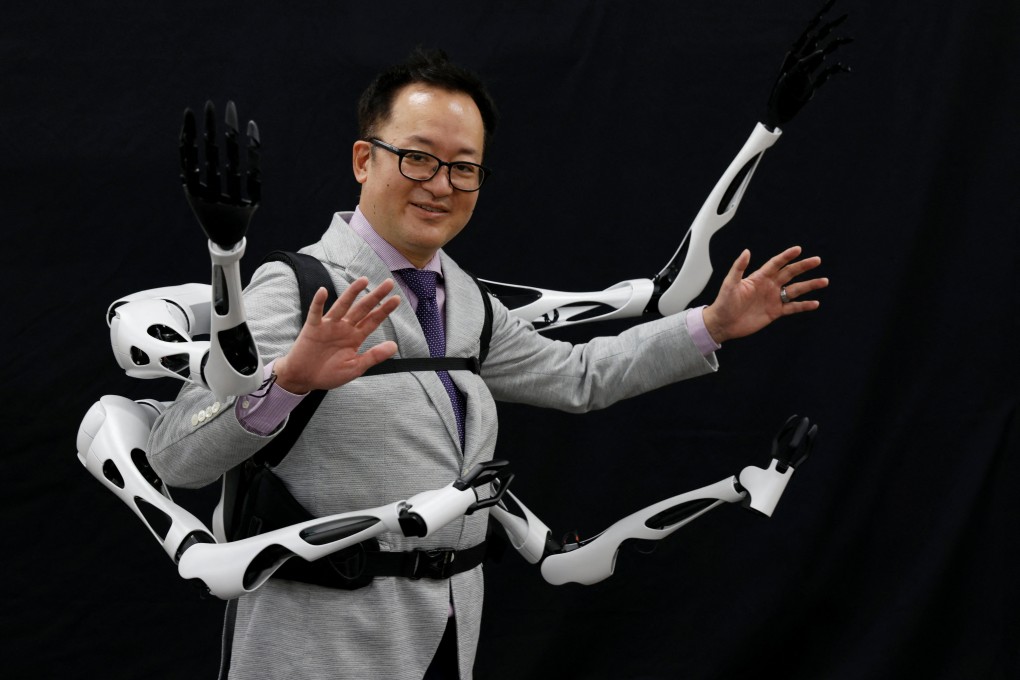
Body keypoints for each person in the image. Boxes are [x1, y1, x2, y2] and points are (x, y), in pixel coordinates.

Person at [148, 48, 828, 680]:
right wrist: (287, 381)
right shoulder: (294, 287)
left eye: (463, 167)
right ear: (364, 159)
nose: (440, 185)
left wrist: (709, 325)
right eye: (418, 159)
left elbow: (578, 376)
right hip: (318, 643)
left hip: (447, 631)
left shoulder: (465, 300)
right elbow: (178, 457)